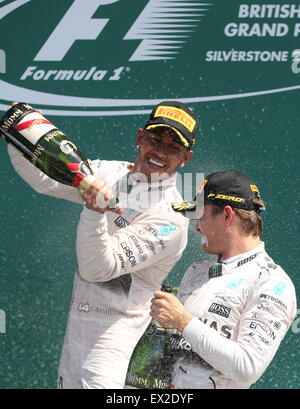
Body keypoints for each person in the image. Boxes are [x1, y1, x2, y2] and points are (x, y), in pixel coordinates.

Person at [7, 100, 198, 388]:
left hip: (111, 340)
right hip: (76, 331)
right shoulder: (111, 173)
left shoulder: (170, 221)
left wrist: (94, 211)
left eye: (173, 148)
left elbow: (97, 268)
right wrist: (21, 135)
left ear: (186, 159)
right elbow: (44, 180)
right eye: (154, 140)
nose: (159, 152)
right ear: (139, 138)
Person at [150, 170, 297, 389]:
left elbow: (247, 368)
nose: (196, 226)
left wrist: (183, 321)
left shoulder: (272, 283)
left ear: (227, 216)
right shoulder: (196, 272)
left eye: (200, 215)